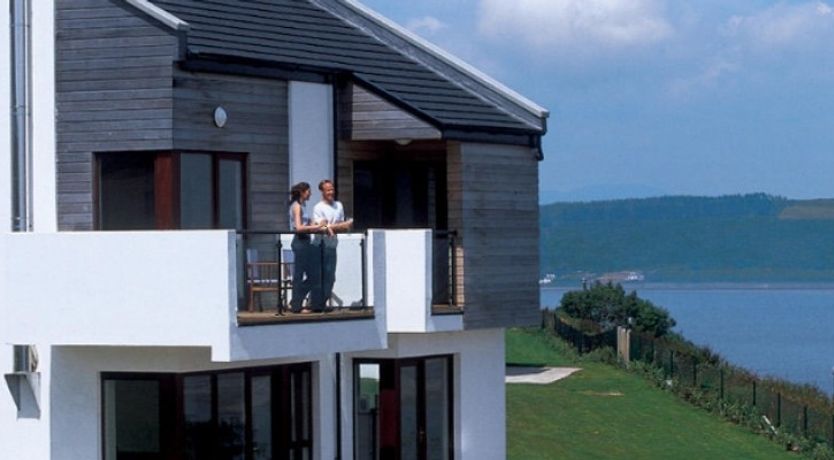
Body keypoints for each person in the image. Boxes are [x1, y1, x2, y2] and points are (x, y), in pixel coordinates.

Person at [312, 180, 353, 311]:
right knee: (320, 275)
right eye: (328, 190)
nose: (331, 192)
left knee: (330, 276)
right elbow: (322, 226)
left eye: (332, 189)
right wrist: (334, 226)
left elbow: (342, 226)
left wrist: (331, 226)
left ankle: (320, 303)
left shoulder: (338, 205)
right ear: (322, 192)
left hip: (332, 244)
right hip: (320, 244)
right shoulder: (318, 207)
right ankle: (316, 304)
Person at [287, 182, 325, 313]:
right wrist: (316, 227)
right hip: (300, 241)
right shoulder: (297, 206)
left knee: (313, 275)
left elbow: (308, 223)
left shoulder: (303, 206)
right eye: (308, 191)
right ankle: (296, 306)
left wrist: (321, 224)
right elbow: (299, 227)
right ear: (302, 192)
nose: (310, 194)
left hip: (306, 241)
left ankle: (295, 302)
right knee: (299, 275)